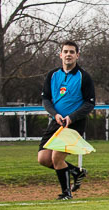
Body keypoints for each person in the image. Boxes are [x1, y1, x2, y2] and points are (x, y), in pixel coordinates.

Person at [38, 40, 95, 200]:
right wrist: (55, 114)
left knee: (57, 157)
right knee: (43, 159)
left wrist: (72, 117)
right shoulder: (52, 75)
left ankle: (66, 193)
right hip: (56, 122)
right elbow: (46, 99)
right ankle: (76, 172)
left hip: (74, 124)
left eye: (72, 52)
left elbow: (90, 103)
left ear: (77, 55)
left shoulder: (84, 77)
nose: (68, 55)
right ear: (60, 55)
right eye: (65, 51)